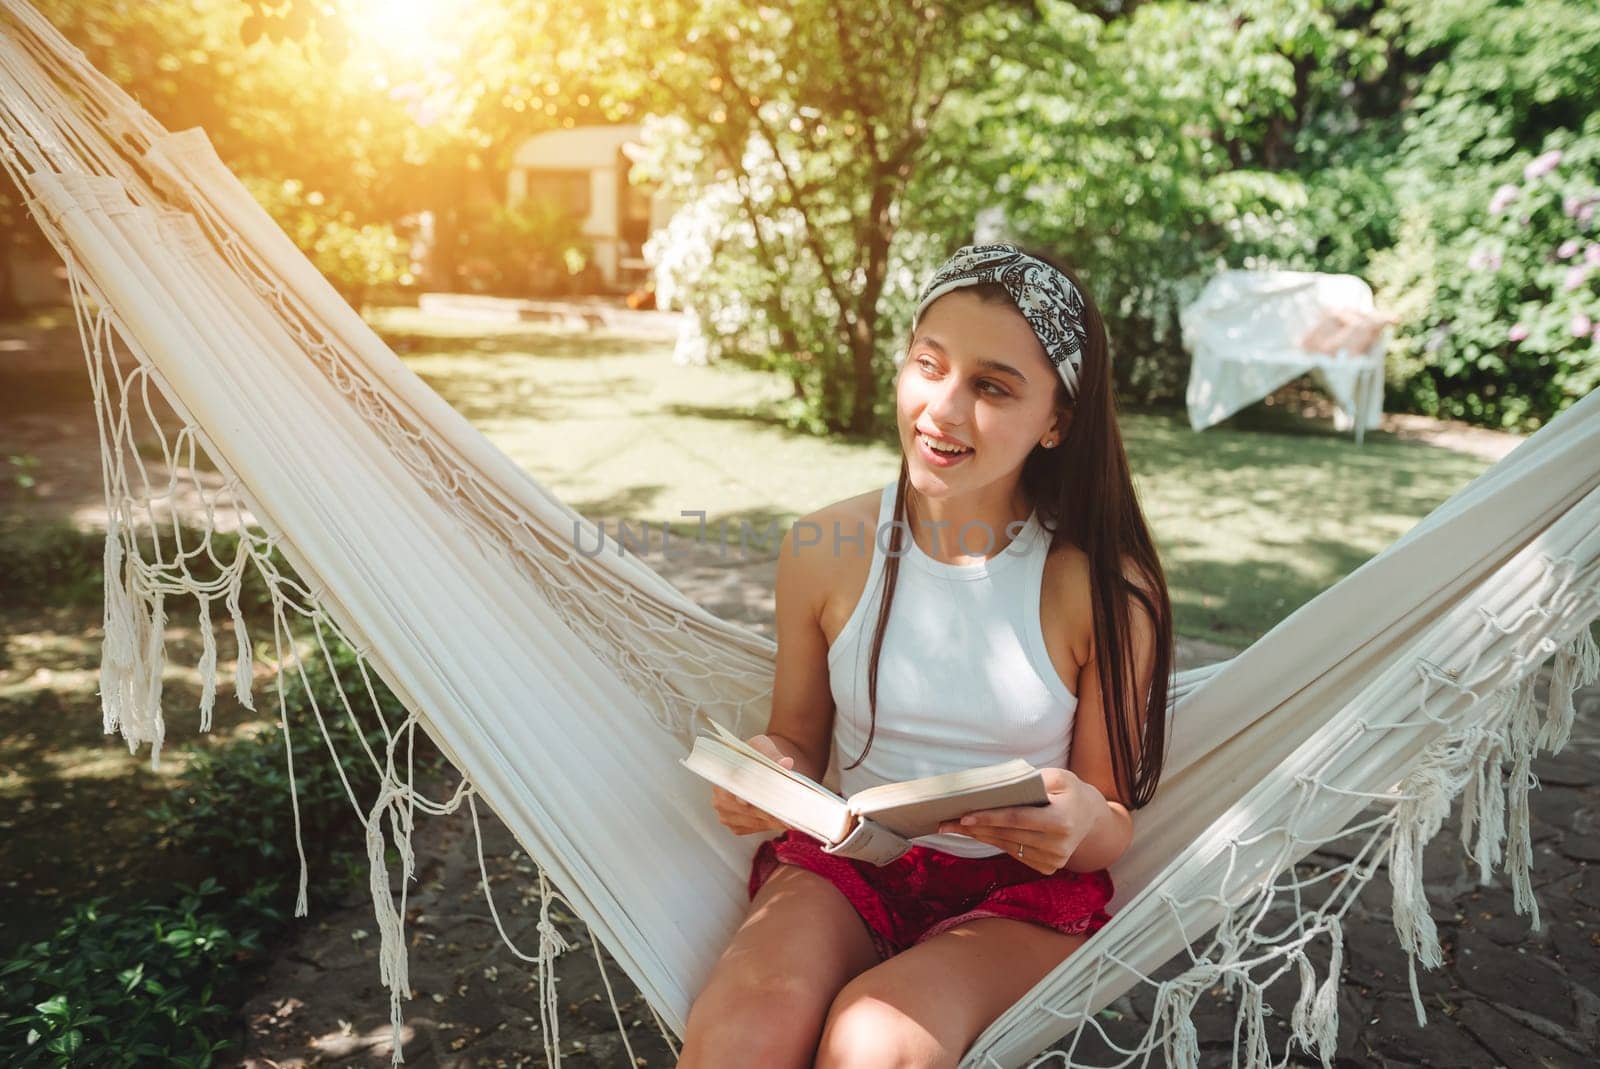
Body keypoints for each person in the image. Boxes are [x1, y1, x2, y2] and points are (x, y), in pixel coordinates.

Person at [676, 243, 1174, 1069]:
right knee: (741, 1031)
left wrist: (1080, 820)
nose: (942, 408)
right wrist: (768, 770)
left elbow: (1110, 818)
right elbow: (797, 738)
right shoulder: (824, 549)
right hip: (853, 868)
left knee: (875, 1041)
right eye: (927, 365)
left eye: (991, 386)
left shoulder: (1098, 592)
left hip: (1017, 897)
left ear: (1058, 421)